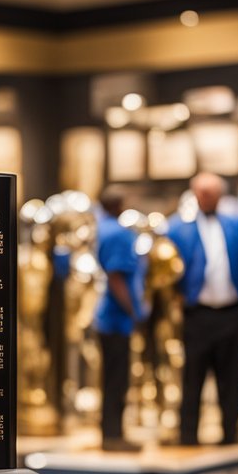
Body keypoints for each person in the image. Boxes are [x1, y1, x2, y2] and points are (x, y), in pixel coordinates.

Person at [167, 172, 238, 446]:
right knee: (193, 378)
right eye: (202, 192)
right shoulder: (177, 228)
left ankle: (230, 436)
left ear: (220, 194)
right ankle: (188, 438)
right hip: (197, 313)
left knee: (230, 378)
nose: (206, 197)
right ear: (194, 194)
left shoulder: (237, 225)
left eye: (211, 192)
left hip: (233, 313)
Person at [93, 186, 145, 451]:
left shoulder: (105, 228)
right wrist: (134, 311)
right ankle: (113, 436)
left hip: (111, 318)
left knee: (114, 378)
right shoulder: (118, 234)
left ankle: (112, 433)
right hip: (115, 319)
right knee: (117, 380)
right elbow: (116, 277)